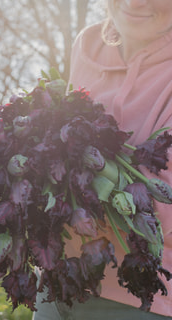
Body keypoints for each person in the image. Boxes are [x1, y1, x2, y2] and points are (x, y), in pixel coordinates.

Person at [33, 0, 172, 319]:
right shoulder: (88, 44)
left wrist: (55, 205)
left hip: (139, 295)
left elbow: (160, 210)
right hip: (59, 280)